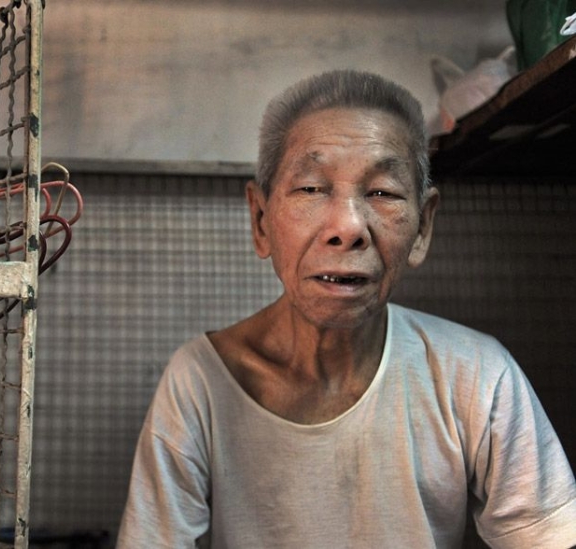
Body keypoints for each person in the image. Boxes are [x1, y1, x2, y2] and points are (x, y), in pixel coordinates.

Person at [116, 70, 576, 548]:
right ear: (261, 220)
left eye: (382, 192)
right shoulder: (199, 383)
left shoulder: (477, 375)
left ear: (422, 227)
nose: (348, 227)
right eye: (311, 189)